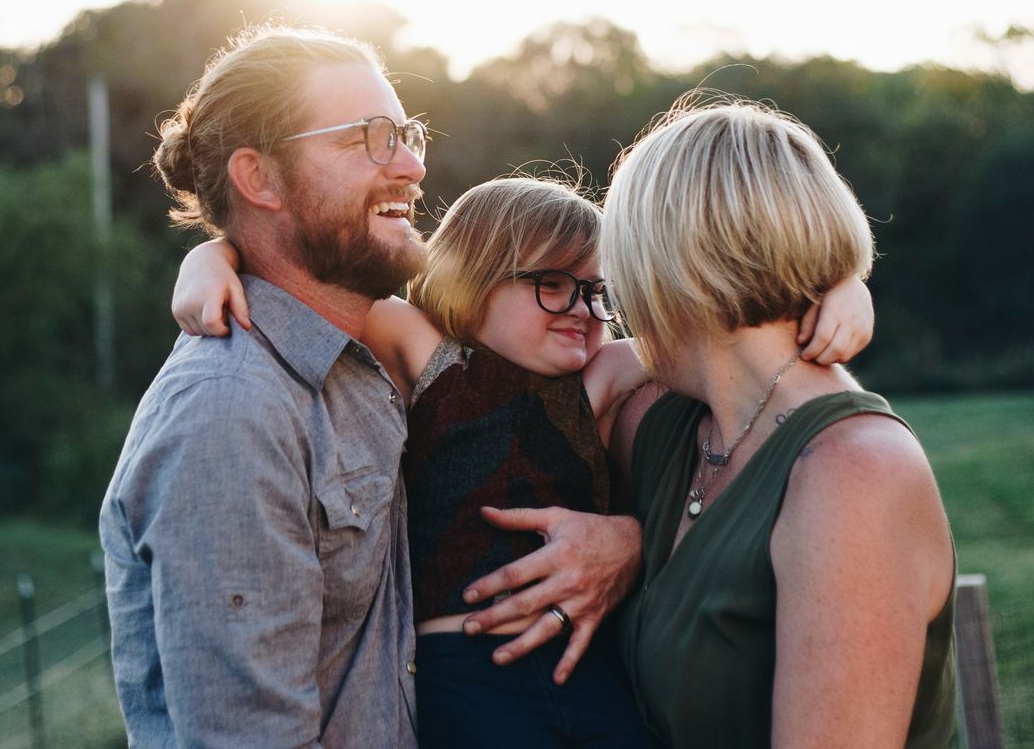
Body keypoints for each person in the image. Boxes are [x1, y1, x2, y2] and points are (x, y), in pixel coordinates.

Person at [173, 173, 875, 748]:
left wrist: (849, 287)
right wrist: (210, 257)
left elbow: (731, 335)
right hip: (469, 679)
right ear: (475, 276)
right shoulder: (430, 356)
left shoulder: (599, 381)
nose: (582, 308)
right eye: (553, 283)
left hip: (591, 671)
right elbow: (300, 278)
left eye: (598, 290)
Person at [99, 25, 643, 749]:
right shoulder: (231, 409)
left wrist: (622, 542)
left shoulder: (368, 370)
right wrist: (213, 252)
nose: (414, 165)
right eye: (370, 137)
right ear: (258, 179)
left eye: (408, 134)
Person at [603, 98, 958, 748]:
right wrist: (613, 539)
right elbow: (473, 372)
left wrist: (846, 278)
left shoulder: (854, 474)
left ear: (672, 270)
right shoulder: (668, 424)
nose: (617, 299)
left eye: (620, 267)